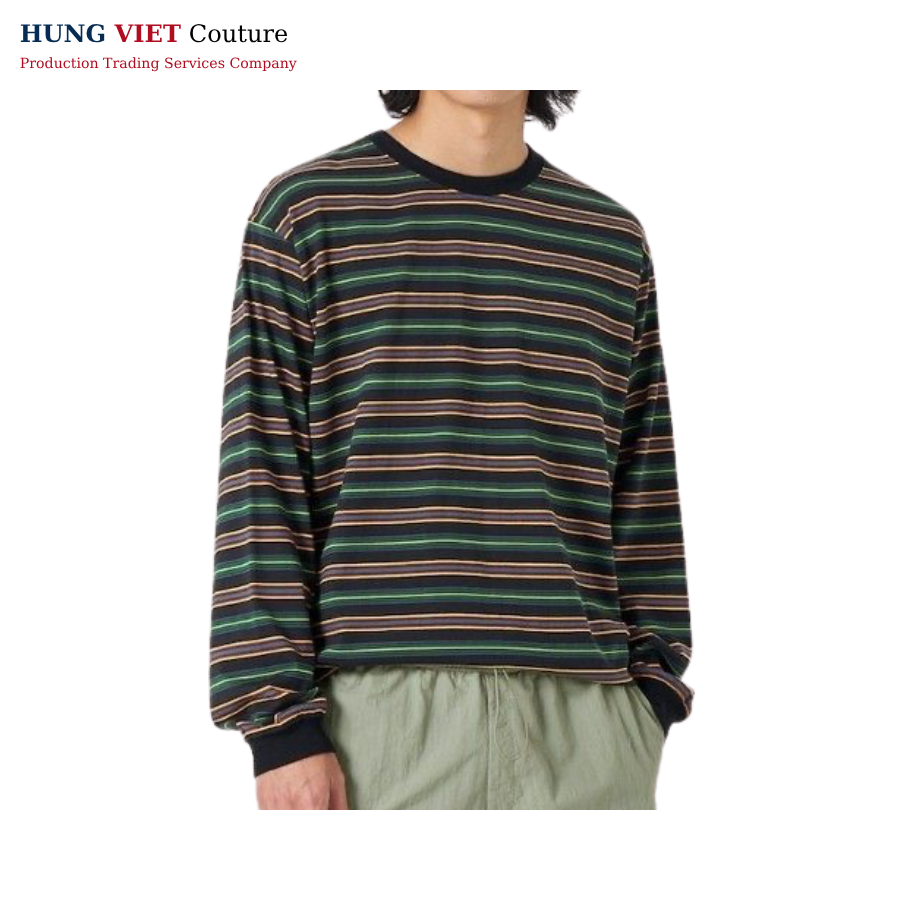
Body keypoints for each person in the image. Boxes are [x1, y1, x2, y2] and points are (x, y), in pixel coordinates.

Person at [209, 90, 694, 809]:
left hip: (588, 722)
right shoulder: (309, 212)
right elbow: (262, 474)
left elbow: (644, 481)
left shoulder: (609, 239)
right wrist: (279, 726)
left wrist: (648, 699)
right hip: (373, 725)